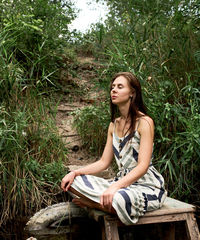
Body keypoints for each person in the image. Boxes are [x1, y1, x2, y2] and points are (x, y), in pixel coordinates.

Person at [61, 72, 167, 225]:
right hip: (120, 182)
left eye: (120, 87)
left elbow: (143, 166)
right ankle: (107, 203)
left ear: (132, 93)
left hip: (145, 185)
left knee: (119, 198)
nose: (114, 90)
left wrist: (115, 187)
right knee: (72, 183)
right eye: (112, 87)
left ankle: (95, 204)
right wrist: (75, 172)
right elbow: (104, 162)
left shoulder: (145, 122)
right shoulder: (113, 125)